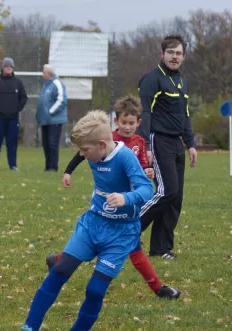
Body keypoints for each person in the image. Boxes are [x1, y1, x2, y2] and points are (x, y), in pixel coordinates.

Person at [13, 110, 153, 331]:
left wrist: (125, 197)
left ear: (100, 145)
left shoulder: (125, 158)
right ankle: (29, 328)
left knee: (96, 290)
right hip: (92, 224)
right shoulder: (95, 152)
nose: (82, 155)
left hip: (121, 233)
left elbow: (146, 189)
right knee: (60, 269)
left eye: (85, 151)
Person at [45, 95, 181, 299]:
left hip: (128, 204)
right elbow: (83, 152)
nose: (127, 127)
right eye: (124, 123)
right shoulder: (106, 141)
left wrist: (147, 172)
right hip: (109, 206)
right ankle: (158, 288)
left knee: (134, 249)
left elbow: (140, 169)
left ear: (138, 123)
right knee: (125, 248)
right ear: (116, 122)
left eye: (131, 123)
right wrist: (68, 171)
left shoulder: (139, 142)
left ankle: (60, 260)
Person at [138, 35, 198, 259]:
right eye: (171, 52)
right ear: (162, 54)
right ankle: (127, 230)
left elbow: (185, 115)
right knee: (166, 191)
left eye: (179, 53)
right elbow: (145, 113)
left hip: (176, 144)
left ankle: (161, 249)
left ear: (183, 56)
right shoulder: (152, 79)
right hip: (158, 141)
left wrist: (190, 143)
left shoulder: (182, 82)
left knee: (175, 197)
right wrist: (145, 145)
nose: (175, 57)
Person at [0, 57, 28, 171]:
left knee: (12, 143)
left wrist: (17, 109)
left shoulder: (18, 82)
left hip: (13, 119)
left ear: (13, 68)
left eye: (10, 67)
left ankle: (13, 165)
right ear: (2, 68)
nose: (8, 68)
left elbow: (23, 98)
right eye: (6, 66)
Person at [36, 64, 68, 171]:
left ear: (48, 73)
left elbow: (61, 100)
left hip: (55, 120)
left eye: (43, 72)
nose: (42, 74)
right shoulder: (46, 85)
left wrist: (50, 112)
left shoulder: (57, 83)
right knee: (46, 144)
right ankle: (48, 166)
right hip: (45, 121)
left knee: (52, 143)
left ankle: (53, 167)